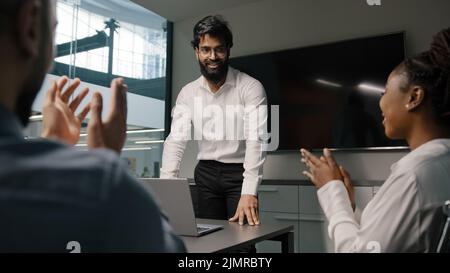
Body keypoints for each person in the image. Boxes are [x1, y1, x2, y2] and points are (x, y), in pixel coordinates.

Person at [0, 0, 185, 252]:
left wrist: (55, 151)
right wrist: (105, 160)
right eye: (53, 31)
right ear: (30, 25)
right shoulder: (100, 189)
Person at [300, 27, 450, 252]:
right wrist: (349, 206)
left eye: (385, 90)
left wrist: (332, 190)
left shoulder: (413, 175)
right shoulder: (440, 162)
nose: (380, 102)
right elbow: (385, 238)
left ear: (414, 97)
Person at [161, 15, 267, 227]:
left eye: (219, 49)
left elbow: (257, 140)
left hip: (239, 173)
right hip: (205, 175)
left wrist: (249, 191)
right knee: (210, 240)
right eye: (206, 49)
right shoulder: (188, 93)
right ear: (197, 52)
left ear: (228, 50)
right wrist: (166, 188)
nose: (213, 56)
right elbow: (176, 140)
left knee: (242, 245)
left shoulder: (250, 87)